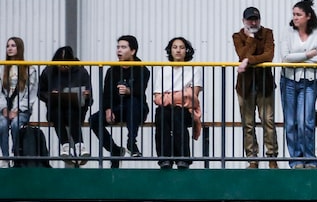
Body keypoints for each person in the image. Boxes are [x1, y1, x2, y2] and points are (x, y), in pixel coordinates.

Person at [279, 0, 317, 169]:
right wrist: (308, 55)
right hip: (289, 81)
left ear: (308, 16)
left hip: (310, 82)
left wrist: (298, 59)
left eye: (298, 14)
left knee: (306, 121)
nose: (295, 17)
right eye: (294, 14)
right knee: (291, 122)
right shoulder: (288, 32)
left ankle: (310, 159)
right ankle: (296, 160)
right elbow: (285, 57)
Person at [89, 35, 151, 168]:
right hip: (118, 108)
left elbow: (140, 90)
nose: (119, 50)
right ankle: (114, 150)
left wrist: (129, 91)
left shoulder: (143, 69)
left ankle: (131, 143)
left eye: (123, 47)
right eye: (118, 47)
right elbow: (106, 94)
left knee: (132, 102)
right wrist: (108, 109)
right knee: (93, 120)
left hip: (137, 109)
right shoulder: (112, 70)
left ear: (133, 51)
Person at [233, 7, 278, 169]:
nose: (253, 22)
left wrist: (247, 61)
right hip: (244, 86)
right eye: (250, 19)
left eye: (256, 19)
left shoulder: (267, 33)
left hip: (264, 84)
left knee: (268, 121)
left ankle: (272, 156)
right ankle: (252, 159)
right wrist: (251, 39)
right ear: (243, 21)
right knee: (248, 123)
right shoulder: (238, 36)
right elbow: (241, 55)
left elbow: (269, 55)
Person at [152, 37, 202, 170]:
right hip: (166, 108)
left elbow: (193, 97)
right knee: (162, 116)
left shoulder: (193, 69)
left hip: (185, 110)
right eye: (175, 47)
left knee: (177, 115)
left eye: (181, 47)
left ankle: (183, 158)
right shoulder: (163, 69)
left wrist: (169, 96)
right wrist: (182, 94)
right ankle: (164, 159)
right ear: (170, 50)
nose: (178, 50)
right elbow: (157, 97)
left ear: (186, 50)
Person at [38, 46, 92, 167]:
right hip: (55, 108)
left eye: (66, 65)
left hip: (76, 109)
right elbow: (40, 92)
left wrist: (85, 95)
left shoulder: (81, 71)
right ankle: (65, 145)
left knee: (70, 111)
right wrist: (50, 95)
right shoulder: (49, 71)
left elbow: (89, 92)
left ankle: (79, 145)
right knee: (58, 112)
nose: (63, 67)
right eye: (60, 64)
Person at [2, 36, 39, 167]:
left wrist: (17, 110)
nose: (9, 48)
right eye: (8, 46)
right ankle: (5, 158)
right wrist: (4, 108)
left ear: (19, 48)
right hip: (4, 110)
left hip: (22, 110)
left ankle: (16, 155)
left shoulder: (29, 69)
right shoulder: (2, 67)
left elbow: (31, 94)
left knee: (17, 124)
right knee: (2, 124)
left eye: (13, 46)